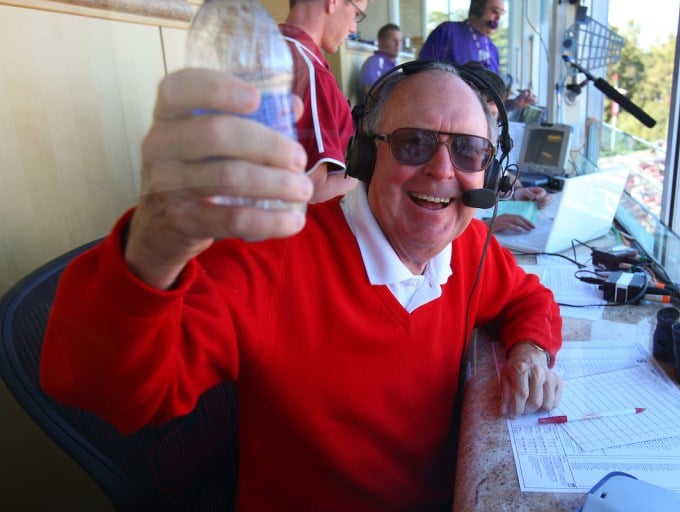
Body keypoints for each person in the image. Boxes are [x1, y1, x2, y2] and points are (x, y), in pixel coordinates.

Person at [40, 61, 563, 511]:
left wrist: (531, 350)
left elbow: (527, 297)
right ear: (364, 155)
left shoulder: (465, 245)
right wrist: (153, 247)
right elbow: (105, 389)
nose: (442, 170)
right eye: (414, 143)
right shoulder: (268, 257)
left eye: (469, 151)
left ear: (489, 171)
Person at [281, 0, 369, 203]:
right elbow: (312, 189)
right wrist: (368, 177)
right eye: (356, 14)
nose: (353, 28)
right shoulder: (311, 73)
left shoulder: (264, 47)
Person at [462, 62, 551, 232]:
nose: (486, 125)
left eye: (492, 116)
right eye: (479, 114)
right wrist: (485, 227)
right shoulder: (443, 161)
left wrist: (518, 192)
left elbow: (499, 173)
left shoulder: (481, 152)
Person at [418, 0, 504, 73]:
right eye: (495, 11)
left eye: (501, 13)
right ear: (478, 7)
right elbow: (421, 71)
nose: (498, 18)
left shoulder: (493, 49)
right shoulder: (447, 32)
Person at [358, 23, 402, 101]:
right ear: (381, 42)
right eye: (394, 40)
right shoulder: (374, 62)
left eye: (399, 40)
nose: (398, 44)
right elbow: (370, 96)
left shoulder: (390, 64)